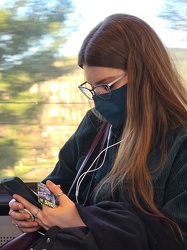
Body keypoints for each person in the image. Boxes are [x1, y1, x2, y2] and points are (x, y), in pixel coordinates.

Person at [8, 13, 187, 249]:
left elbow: (177, 237)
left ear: (145, 75)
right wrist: (34, 210)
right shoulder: (95, 125)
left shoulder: (180, 142)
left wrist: (81, 220)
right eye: (92, 88)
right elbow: (56, 184)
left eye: (106, 86)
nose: (98, 98)